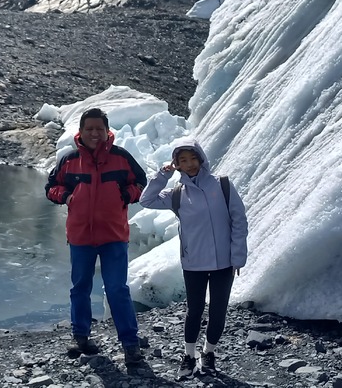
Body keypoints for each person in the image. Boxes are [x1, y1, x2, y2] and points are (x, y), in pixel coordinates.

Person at [139, 137, 248, 379]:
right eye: (182, 160)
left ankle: (208, 353)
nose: (189, 164)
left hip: (224, 262)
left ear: (201, 158)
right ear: (176, 164)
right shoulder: (177, 193)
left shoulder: (223, 185)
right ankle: (188, 356)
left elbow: (239, 220)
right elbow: (145, 200)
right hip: (194, 262)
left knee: (218, 310)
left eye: (193, 158)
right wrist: (162, 176)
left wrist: (238, 256)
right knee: (194, 310)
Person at [45, 107, 147, 365]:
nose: (94, 133)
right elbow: (51, 188)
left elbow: (141, 184)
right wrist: (67, 196)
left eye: (99, 129)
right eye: (89, 129)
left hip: (114, 236)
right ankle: (81, 337)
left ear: (106, 131)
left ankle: (130, 344)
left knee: (117, 289)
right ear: (80, 131)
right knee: (80, 287)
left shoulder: (121, 158)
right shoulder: (69, 160)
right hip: (81, 237)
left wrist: (125, 195)